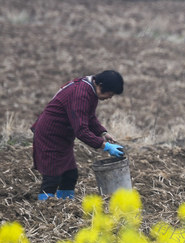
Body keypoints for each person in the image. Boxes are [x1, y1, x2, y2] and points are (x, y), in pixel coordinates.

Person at [31, 70, 125, 201]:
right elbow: (81, 131)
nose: (110, 97)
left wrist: (103, 133)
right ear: (101, 85)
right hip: (49, 135)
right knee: (53, 174)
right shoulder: (81, 93)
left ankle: (64, 205)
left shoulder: (90, 90)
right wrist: (105, 146)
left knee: (70, 174)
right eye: (110, 93)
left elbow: (89, 116)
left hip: (63, 136)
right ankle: (45, 206)